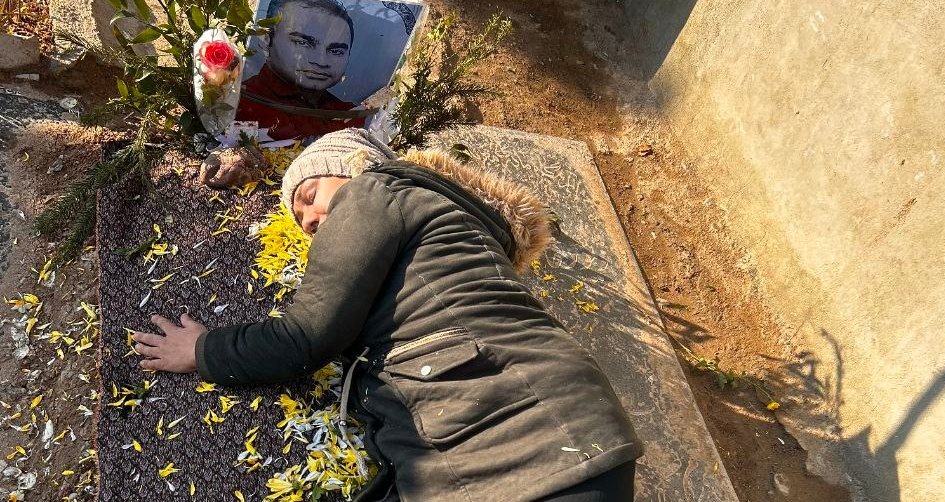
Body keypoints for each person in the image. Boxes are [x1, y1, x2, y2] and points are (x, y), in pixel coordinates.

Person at [132, 129, 642, 501]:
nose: (311, 221)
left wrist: (203, 349)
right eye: (302, 221)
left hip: (527, 435)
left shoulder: (375, 190)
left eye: (309, 197)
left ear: (351, 164)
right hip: (546, 436)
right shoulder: (441, 237)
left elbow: (304, 336)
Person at [236, 0, 367, 140]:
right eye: (303, 43)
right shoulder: (237, 104)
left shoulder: (352, 115)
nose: (321, 61)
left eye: (336, 51)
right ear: (267, 40)